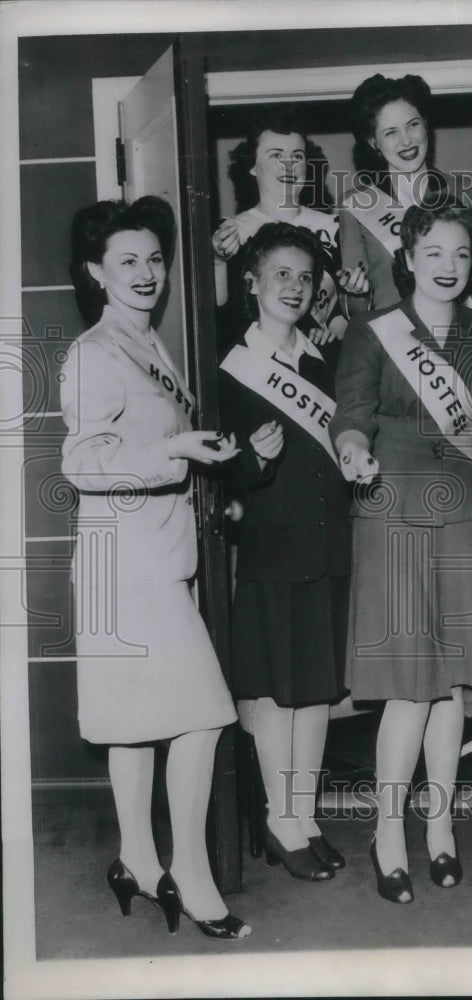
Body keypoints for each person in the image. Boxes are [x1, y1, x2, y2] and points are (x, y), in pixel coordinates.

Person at [60, 196, 250, 940]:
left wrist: (209, 476)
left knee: (135, 727)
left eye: (154, 259)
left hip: (155, 557)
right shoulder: (95, 353)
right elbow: (83, 463)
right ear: (95, 273)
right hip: (124, 567)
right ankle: (192, 876)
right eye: (126, 261)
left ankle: (138, 862)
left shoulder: (150, 345)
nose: (146, 273)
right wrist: (174, 453)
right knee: (204, 717)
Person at [331, 199, 472, 903]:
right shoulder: (374, 332)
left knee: (454, 685)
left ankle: (441, 829)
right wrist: (351, 452)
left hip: (464, 511)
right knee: (410, 684)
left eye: (462, 254)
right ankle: (387, 833)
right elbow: (352, 416)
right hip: (393, 508)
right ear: (407, 258)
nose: (448, 266)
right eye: (433, 252)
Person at [218, 222, 352, 882]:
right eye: (281, 274)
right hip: (269, 546)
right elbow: (214, 476)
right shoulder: (229, 366)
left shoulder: (324, 362)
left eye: (305, 277)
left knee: (316, 690)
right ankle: (279, 817)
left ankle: (305, 815)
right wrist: (251, 460)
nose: (295, 287)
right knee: (275, 689)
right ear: (253, 282)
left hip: (327, 544)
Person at [338, 72, 472, 321]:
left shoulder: (468, 191)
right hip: (394, 345)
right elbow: (355, 313)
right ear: (373, 142)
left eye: (413, 124)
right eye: (391, 133)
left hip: (459, 336)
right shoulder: (355, 205)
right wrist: (356, 291)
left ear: (426, 124)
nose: (406, 140)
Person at [211, 105, 341, 353]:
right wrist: (217, 260)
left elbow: (343, 313)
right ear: (252, 166)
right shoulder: (229, 233)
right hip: (255, 369)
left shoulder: (335, 228)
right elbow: (217, 317)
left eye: (297, 156)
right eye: (276, 156)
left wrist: (331, 337)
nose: (289, 166)